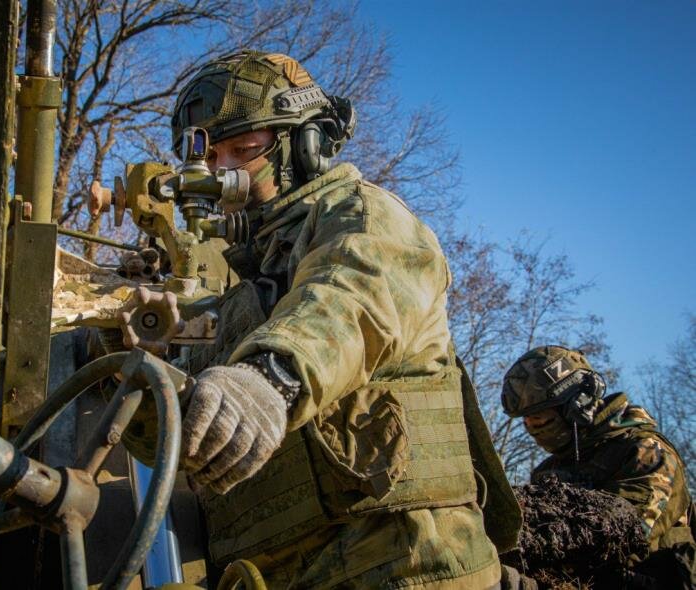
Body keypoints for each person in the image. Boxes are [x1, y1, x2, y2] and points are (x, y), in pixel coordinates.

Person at [148, 49, 520, 589]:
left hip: (401, 563)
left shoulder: (365, 218)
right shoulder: (241, 280)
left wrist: (268, 380)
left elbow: (350, 298)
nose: (224, 174)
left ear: (307, 144)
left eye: (244, 149)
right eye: (212, 157)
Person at [502, 345, 696, 588]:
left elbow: (628, 531)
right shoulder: (549, 470)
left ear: (577, 405)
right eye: (527, 421)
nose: (532, 427)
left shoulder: (645, 451)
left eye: (540, 417)